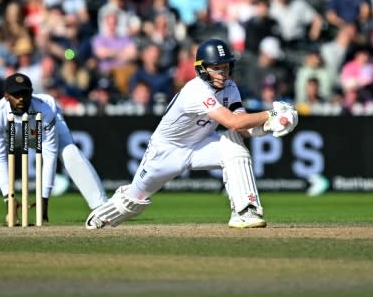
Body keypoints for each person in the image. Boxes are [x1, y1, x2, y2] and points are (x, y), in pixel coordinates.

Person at [85, 38, 298, 230]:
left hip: (199, 145)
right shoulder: (195, 91)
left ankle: (245, 211)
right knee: (134, 200)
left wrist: (272, 125)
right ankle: (99, 218)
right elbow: (233, 122)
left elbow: (242, 129)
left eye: (225, 67)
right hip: (165, 152)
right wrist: (270, 114)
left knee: (235, 149)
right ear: (203, 69)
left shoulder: (230, 87)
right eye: (216, 68)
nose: (222, 73)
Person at [0, 72, 109, 223]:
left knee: (69, 151)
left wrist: (44, 197)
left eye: (24, 93)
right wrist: (9, 198)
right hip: (9, 137)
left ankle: (101, 207)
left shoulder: (45, 109)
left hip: (39, 134)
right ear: (6, 96)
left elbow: (49, 154)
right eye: (15, 94)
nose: (21, 98)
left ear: (31, 93)